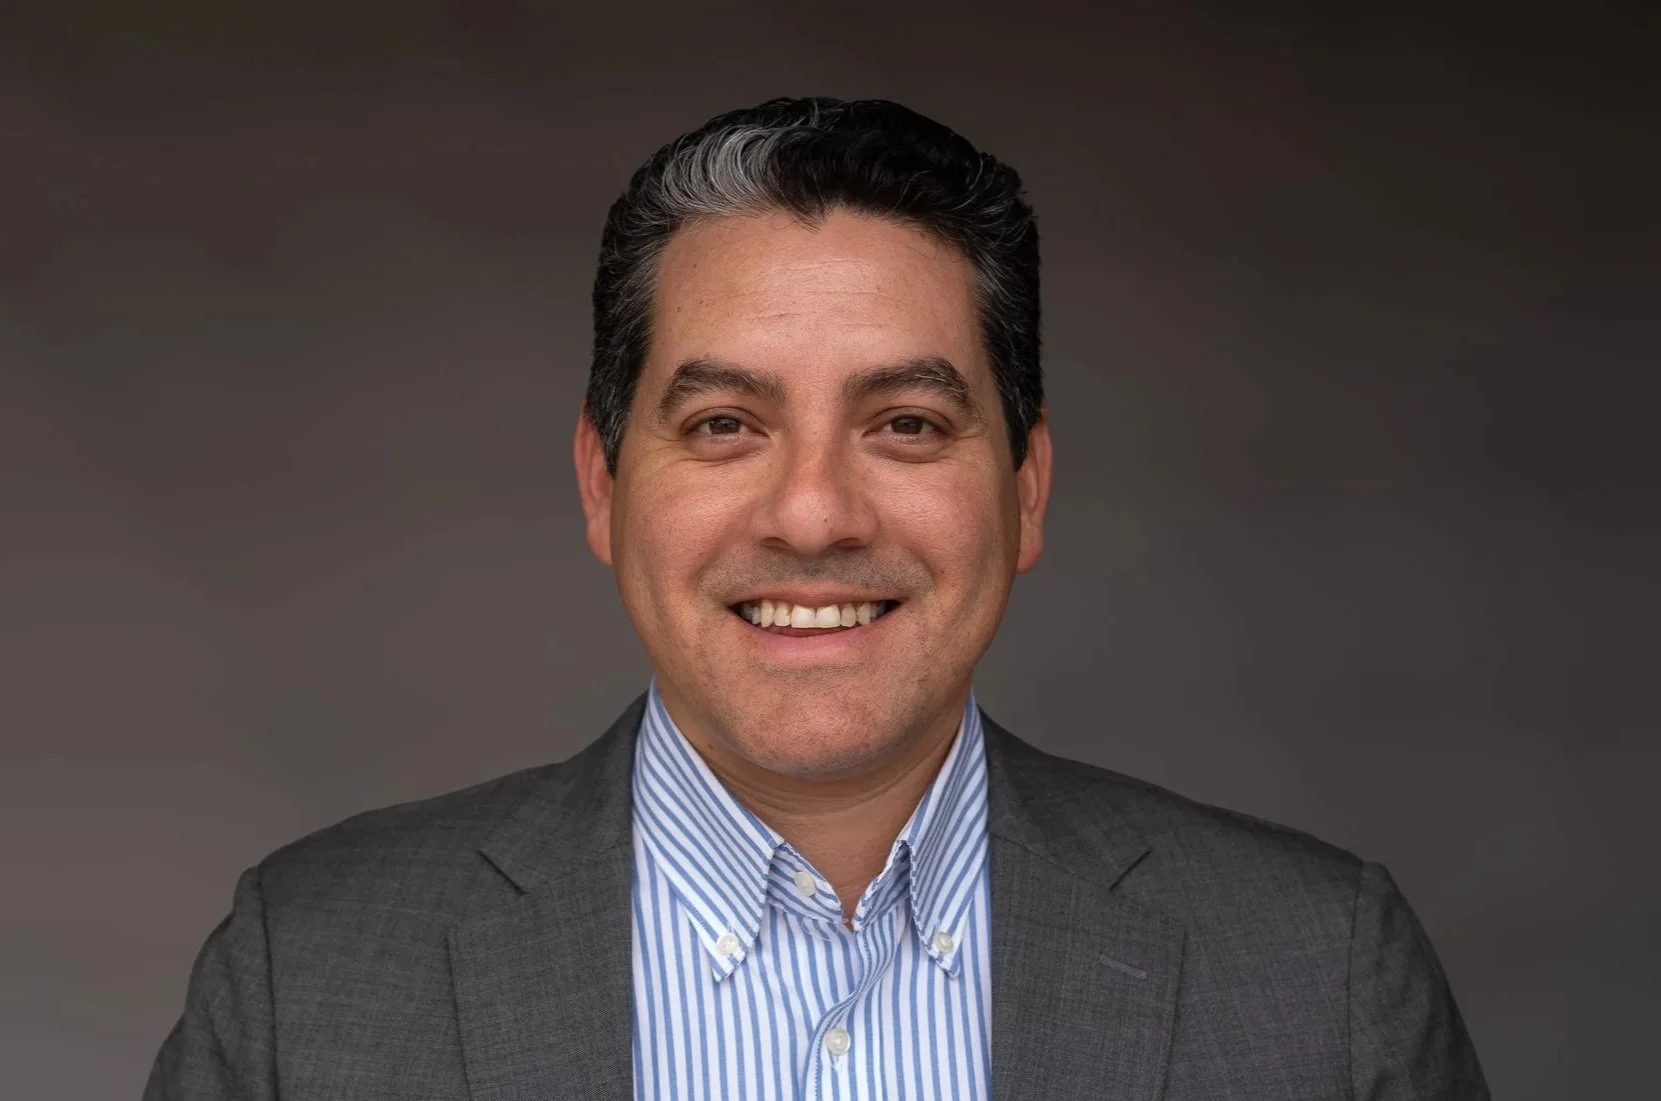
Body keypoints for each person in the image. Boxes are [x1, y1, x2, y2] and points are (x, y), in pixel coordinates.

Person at [145, 97, 1488, 1100]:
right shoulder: (306, 981)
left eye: (906, 424)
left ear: (1024, 494)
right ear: (602, 485)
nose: (813, 513)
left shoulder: (1321, 982)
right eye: (726, 424)